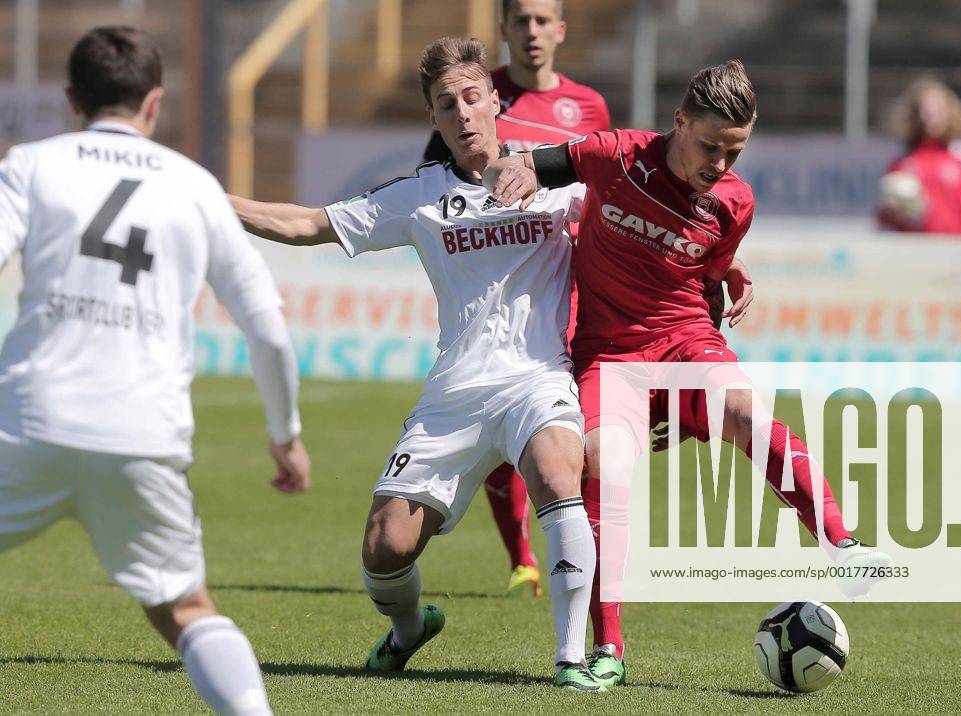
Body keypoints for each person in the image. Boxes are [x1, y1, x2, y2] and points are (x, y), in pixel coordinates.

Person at [486, 59, 891, 688]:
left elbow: (706, 283)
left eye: (734, 151)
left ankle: (843, 544)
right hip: (608, 351)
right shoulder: (616, 157)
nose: (721, 165)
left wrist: (690, 398)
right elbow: (539, 164)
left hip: (685, 339)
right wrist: (509, 169)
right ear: (679, 122)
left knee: (750, 416)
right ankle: (609, 649)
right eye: (710, 146)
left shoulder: (734, 202)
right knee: (605, 467)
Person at [229, 37, 608, 692]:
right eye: (445, 104)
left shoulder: (554, 179)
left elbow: (635, 210)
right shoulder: (420, 194)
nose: (462, 113)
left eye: (470, 98)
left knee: (555, 471)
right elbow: (304, 224)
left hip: (536, 377)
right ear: (433, 118)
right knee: (385, 548)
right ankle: (408, 630)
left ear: (494, 100)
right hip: (454, 395)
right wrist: (212, 205)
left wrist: (722, 266)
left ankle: (572, 659)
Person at [0, 27, 311, 716]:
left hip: (29, 419)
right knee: (183, 607)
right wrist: (285, 433)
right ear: (155, 103)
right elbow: (268, 328)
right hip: (143, 434)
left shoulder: (32, 165)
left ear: (72, 99)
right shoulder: (195, 186)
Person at [423, 0, 611, 599]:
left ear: (560, 29)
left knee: (571, 437)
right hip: (501, 295)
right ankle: (523, 558)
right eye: (519, 21)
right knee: (507, 428)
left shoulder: (589, 106)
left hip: (571, 282)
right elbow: (439, 191)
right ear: (503, 30)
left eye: (540, 20)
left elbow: (604, 180)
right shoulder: (473, 95)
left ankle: (584, 565)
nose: (530, 32)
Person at [878, 77, 961, 235]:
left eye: (937, 110)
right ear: (914, 114)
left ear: (949, 112)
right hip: (913, 252)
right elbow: (885, 219)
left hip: (954, 252)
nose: (930, 116)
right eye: (925, 110)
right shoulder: (901, 158)